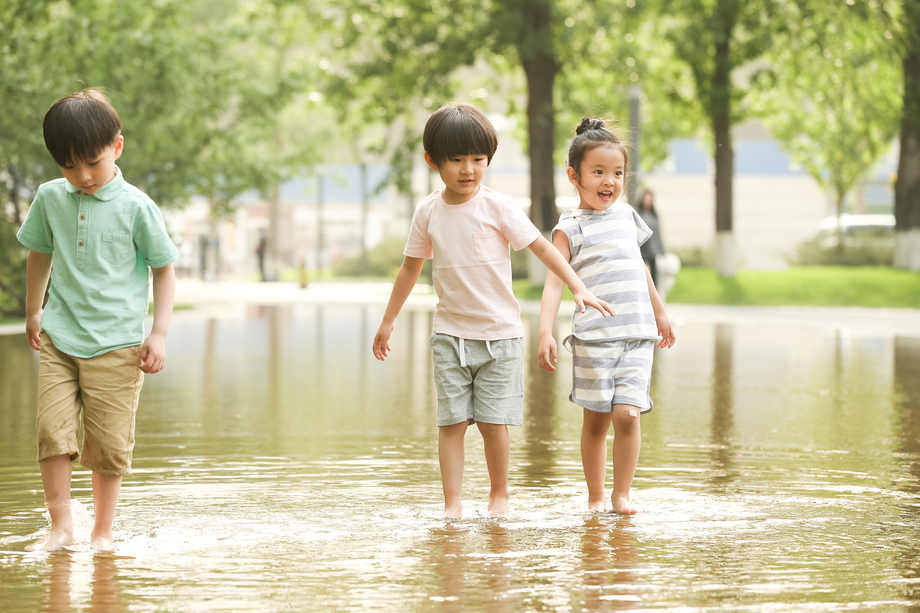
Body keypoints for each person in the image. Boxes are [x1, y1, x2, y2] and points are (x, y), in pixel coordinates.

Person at [372, 103, 614, 519]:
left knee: (491, 422)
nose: (468, 170)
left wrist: (577, 286)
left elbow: (541, 247)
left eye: (478, 160)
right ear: (433, 161)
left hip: (501, 336)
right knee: (450, 423)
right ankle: (452, 504)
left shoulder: (497, 206)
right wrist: (388, 320)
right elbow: (411, 266)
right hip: (449, 335)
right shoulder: (428, 211)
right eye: (457, 160)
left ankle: (499, 495)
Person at [16, 89, 179, 552]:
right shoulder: (50, 199)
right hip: (61, 337)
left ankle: (102, 532)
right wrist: (34, 311)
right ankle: (60, 527)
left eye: (93, 162)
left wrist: (159, 332)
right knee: (52, 429)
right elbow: (39, 254)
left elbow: (163, 267)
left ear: (117, 148)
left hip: (118, 344)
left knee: (108, 444)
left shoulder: (136, 206)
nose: (83, 176)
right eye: (69, 166)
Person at [538, 118, 676, 515]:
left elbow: (640, 268)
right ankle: (596, 496)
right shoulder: (569, 228)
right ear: (574, 176)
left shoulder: (628, 215)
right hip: (594, 338)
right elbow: (552, 283)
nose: (609, 182)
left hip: (637, 334)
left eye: (617, 173)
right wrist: (545, 331)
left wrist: (660, 312)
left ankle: (622, 495)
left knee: (628, 414)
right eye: (598, 172)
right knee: (598, 421)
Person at [637, 189, 665, 288]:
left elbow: (658, 234)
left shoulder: (654, 215)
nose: (648, 201)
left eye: (650, 199)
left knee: (654, 275)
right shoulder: (638, 213)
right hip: (642, 248)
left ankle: (654, 295)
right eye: (646, 198)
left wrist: (661, 250)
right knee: (642, 273)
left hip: (652, 250)